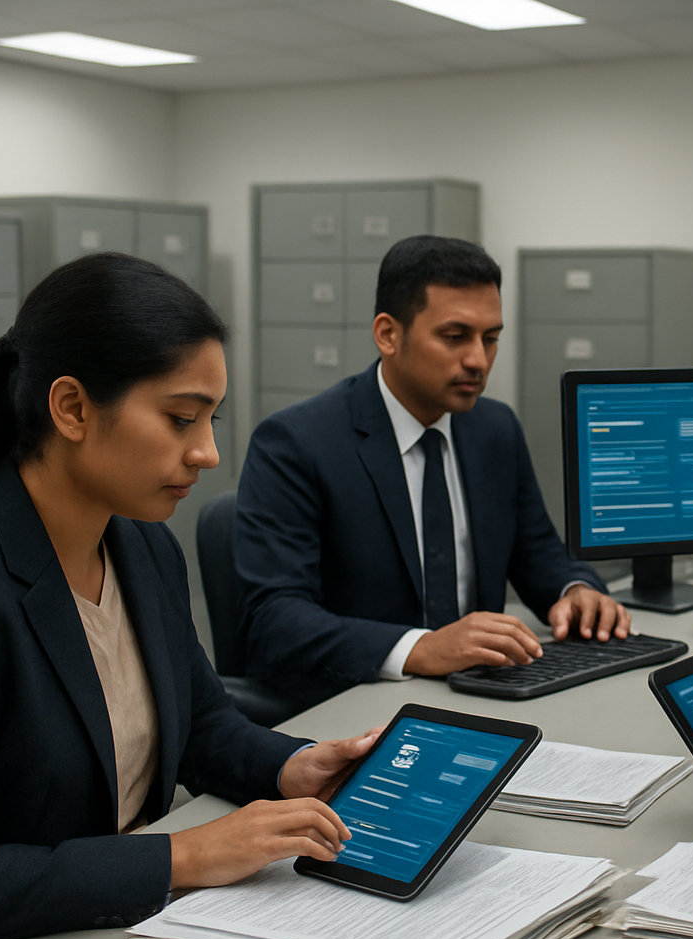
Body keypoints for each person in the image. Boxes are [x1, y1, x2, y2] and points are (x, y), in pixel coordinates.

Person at [0, 254, 380, 939]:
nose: (207, 452)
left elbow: (199, 725)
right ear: (72, 408)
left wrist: (295, 765)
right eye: (180, 419)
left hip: (132, 928)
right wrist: (183, 856)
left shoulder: (142, 546)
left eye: (210, 419)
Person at [234, 235, 629, 702]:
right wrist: (420, 648)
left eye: (491, 339)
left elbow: (536, 550)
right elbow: (273, 620)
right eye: (454, 337)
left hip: (482, 694)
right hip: (358, 701)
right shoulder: (297, 443)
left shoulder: (494, 429)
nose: (478, 360)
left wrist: (575, 590)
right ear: (388, 335)